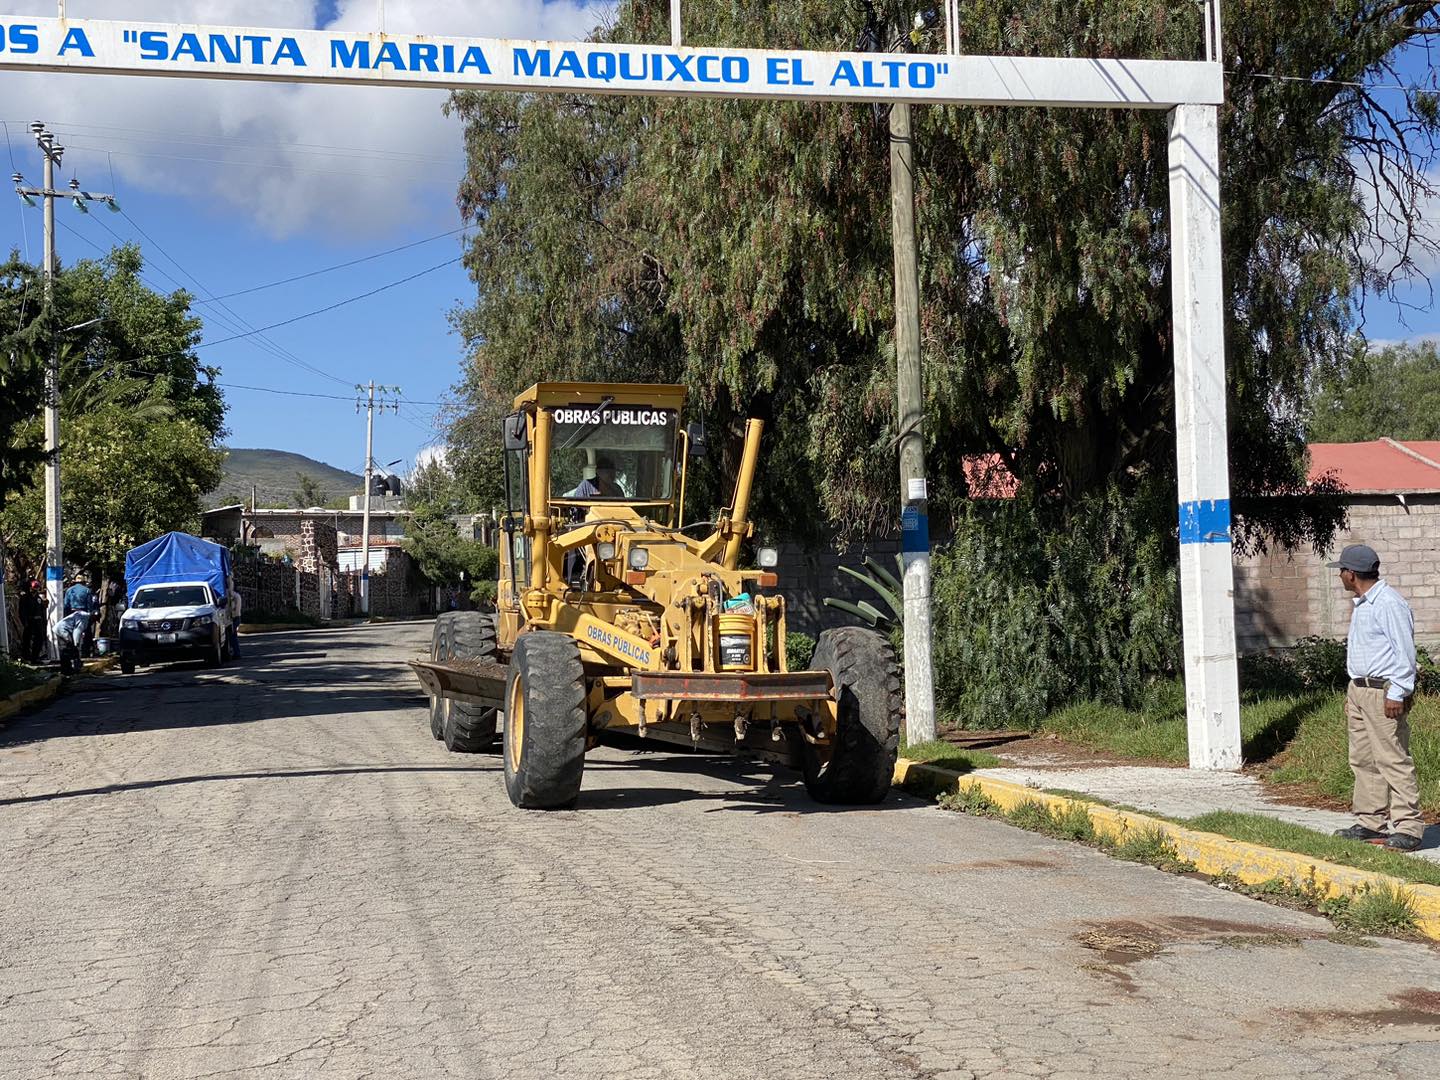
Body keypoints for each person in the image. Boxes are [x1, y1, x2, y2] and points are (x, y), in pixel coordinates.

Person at [1328, 544, 1422, 852]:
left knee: (1392, 758)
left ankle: (1408, 826)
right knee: (1363, 759)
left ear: (1351, 574)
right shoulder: (1363, 603)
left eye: (1341, 570)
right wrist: (1354, 691)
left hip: (1383, 692)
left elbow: (1404, 652)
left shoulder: (1388, 603)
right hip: (1360, 690)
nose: (1339, 575)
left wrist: (1397, 692)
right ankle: (1370, 822)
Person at [62, 574, 98, 658]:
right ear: (83, 582)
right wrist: (90, 614)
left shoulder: (69, 590)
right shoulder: (87, 590)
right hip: (83, 613)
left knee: (71, 632)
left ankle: (72, 651)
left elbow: (66, 605)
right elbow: (89, 605)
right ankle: (85, 652)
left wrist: (67, 615)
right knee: (87, 632)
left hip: (72, 613)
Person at [18, 580, 44, 662]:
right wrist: (24, 622)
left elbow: (41, 610)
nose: (35, 590)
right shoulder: (25, 598)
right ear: (30, 588)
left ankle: (35, 657)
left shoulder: (39, 598)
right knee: (27, 639)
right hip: (29, 621)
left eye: (36, 588)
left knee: (39, 639)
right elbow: (22, 611)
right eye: (33, 588)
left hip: (38, 621)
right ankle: (26, 656)